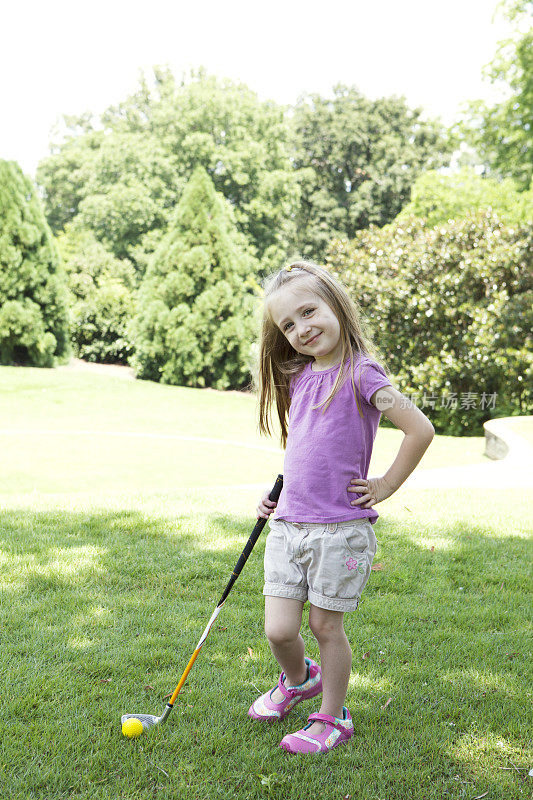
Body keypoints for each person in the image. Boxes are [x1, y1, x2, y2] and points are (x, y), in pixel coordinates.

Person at [249, 260, 435, 754]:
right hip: (289, 525)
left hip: (339, 530)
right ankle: (299, 679)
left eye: (309, 312)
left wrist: (386, 484)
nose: (301, 328)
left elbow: (420, 429)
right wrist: (278, 494)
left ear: (336, 305)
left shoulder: (363, 373)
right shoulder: (301, 377)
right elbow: (306, 448)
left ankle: (333, 716)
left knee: (324, 625)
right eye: (288, 324)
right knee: (279, 628)